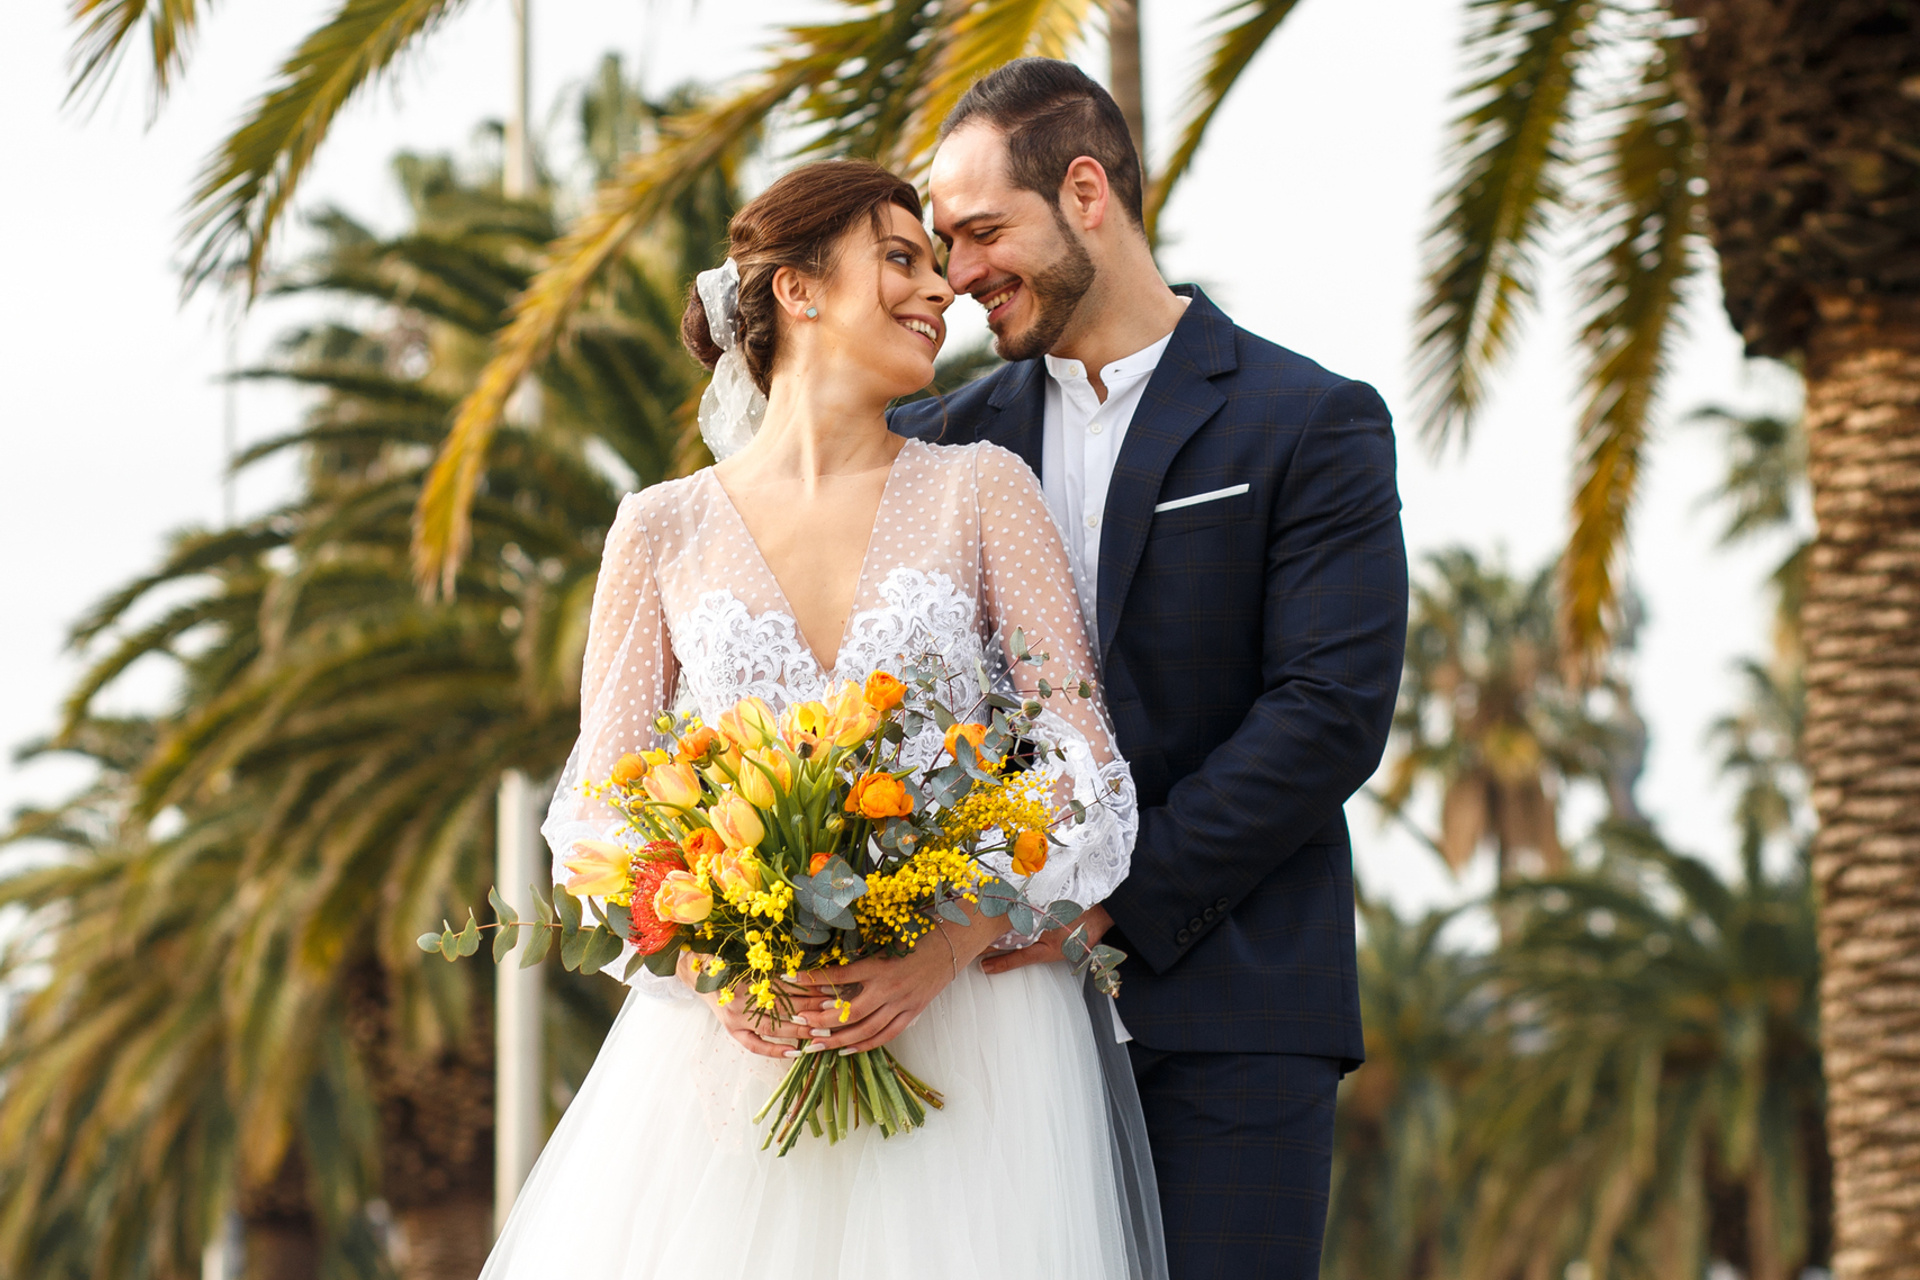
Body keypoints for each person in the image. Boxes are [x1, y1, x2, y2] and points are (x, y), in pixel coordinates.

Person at [480, 159, 1163, 1280]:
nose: (938, 290)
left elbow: (1081, 762)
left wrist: (950, 940)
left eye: (937, 267)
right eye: (900, 257)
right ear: (796, 290)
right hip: (733, 1055)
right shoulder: (657, 531)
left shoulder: (985, 489)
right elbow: (596, 822)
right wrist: (719, 966)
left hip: (974, 1039)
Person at [889, 59, 1409, 1280]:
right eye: (941, 244)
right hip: (987, 1023)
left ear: (1084, 191)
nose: (958, 277)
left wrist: (1108, 892)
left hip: (1232, 1015)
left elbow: (1328, 713)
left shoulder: (1308, 420)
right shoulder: (937, 440)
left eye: (979, 232)